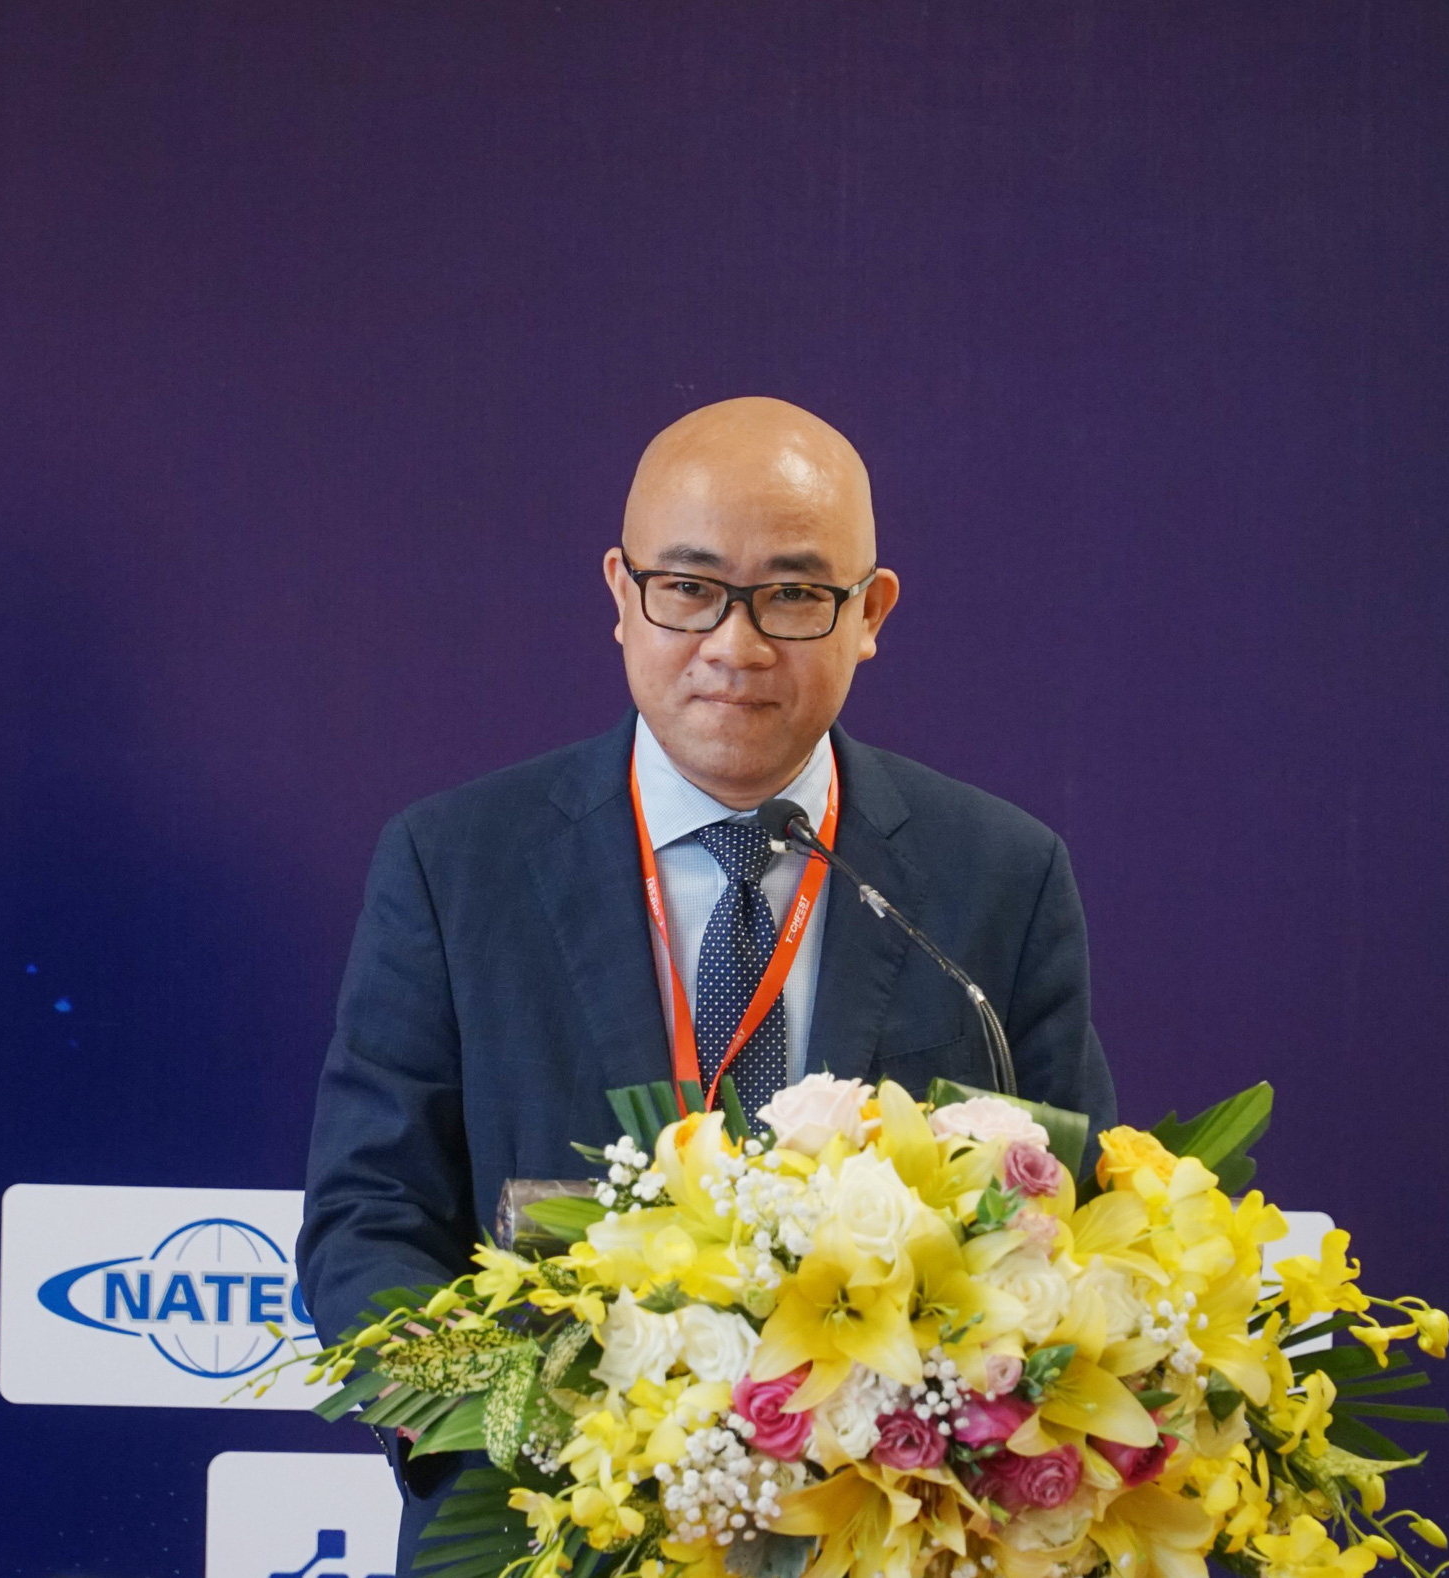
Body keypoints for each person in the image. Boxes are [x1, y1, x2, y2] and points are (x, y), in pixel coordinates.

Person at [296, 396, 1116, 1559]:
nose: (735, 646)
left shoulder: (998, 877)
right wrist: (537, 1431)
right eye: (687, 589)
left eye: (794, 596)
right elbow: (368, 1220)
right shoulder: (456, 865)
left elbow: (1069, 1225)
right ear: (621, 594)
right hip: (555, 1536)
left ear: (870, 613)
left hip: (887, 1541)